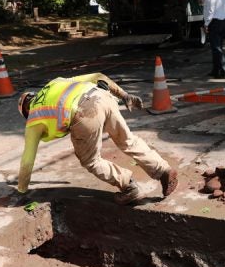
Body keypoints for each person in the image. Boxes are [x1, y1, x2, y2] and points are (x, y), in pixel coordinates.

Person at [15, 73, 177, 205]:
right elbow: (98, 76)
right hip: (102, 96)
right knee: (128, 141)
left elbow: (27, 160)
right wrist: (124, 95)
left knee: (90, 161)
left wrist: (21, 190)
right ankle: (164, 170)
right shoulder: (54, 83)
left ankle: (129, 186)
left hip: (84, 111)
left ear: (26, 111)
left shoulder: (34, 118)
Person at [202, 0, 225, 78]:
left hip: (214, 23)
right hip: (222, 22)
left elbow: (210, 11)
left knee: (216, 48)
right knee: (218, 47)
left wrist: (206, 24)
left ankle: (224, 71)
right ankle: (215, 70)